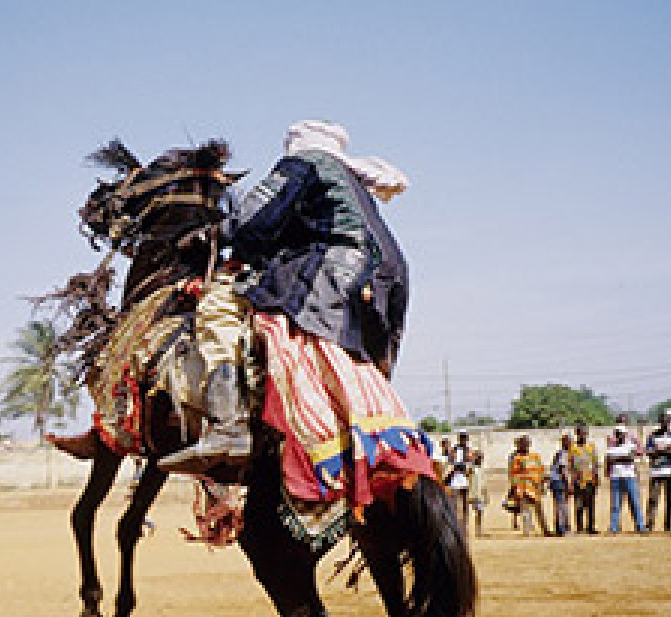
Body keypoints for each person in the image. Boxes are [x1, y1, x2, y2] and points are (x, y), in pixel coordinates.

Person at [157, 119, 413, 476]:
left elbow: (254, 223)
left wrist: (212, 234)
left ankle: (228, 426)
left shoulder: (300, 165)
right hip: (388, 285)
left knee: (218, 305)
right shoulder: (353, 183)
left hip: (333, 271)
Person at [645, 407, 671, 532]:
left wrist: (660, 450)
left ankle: (668, 526)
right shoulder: (652, 436)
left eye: (667, 421)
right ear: (660, 422)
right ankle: (650, 524)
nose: (665, 423)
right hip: (656, 471)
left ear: (669, 423)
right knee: (653, 499)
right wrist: (666, 449)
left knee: (670, 499)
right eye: (663, 421)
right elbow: (649, 451)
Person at [605, 424, 645, 533]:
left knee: (634, 502)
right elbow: (609, 460)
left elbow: (630, 457)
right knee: (615, 504)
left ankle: (640, 526)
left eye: (621, 434)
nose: (619, 436)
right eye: (617, 434)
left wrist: (617, 459)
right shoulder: (611, 448)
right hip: (616, 478)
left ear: (625, 435)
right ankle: (614, 527)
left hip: (629, 477)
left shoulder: (630, 446)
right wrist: (623, 458)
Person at [508, 435, 549, 536]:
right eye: (523, 444)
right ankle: (527, 531)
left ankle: (545, 530)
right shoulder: (517, 458)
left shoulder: (535, 456)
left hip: (535, 487)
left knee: (539, 510)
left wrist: (543, 483)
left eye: (527, 443)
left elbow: (541, 470)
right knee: (526, 510)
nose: (525, 445)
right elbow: (513, 474)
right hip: (523, 487)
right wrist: (515, 488)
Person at [568, 422, 599, 534]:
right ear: (576, 434)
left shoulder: (591, 447)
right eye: (580, 433)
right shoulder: (573, 447)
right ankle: (580, 528)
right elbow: (571, 464)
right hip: (578, 480)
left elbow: (595, 463)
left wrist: (596, 477)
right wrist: (572, 480)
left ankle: (591, 527)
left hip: (590, 479)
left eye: (584, 433)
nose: (583, 435)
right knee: (579, 505)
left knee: (591, 505)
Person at [447, 430, 472, 530]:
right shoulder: (454, 449)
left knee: (465, 499)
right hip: (455, 475)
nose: (463, 440)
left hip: (464, 475)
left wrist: (466, 468)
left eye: (465, 438)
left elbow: (471, 462)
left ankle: (465, 521)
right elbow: (450, 461)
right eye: (462, 437)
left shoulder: (469, 450)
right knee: (454, 499)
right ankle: (454, 519)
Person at [550, 433, 573, 535]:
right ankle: (562, 529)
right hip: (560, 481)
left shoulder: (559, 453)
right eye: (570, 441)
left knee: (560, 505)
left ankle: (562, 528)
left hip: (555, 481)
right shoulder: (564, 454)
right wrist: (568, 484)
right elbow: (563, 470)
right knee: (561, 506)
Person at [467, 449, 489, 536]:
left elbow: (484, 483)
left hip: (479, 495)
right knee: (477, 512)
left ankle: (478, 530)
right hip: (473, 494)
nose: (480, 460)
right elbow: (467, 476)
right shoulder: (472, 468)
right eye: (478, 457)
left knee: (479, 512)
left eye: (481, 458)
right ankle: (475, 531)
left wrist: (486, 494)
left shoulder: (481, 469)